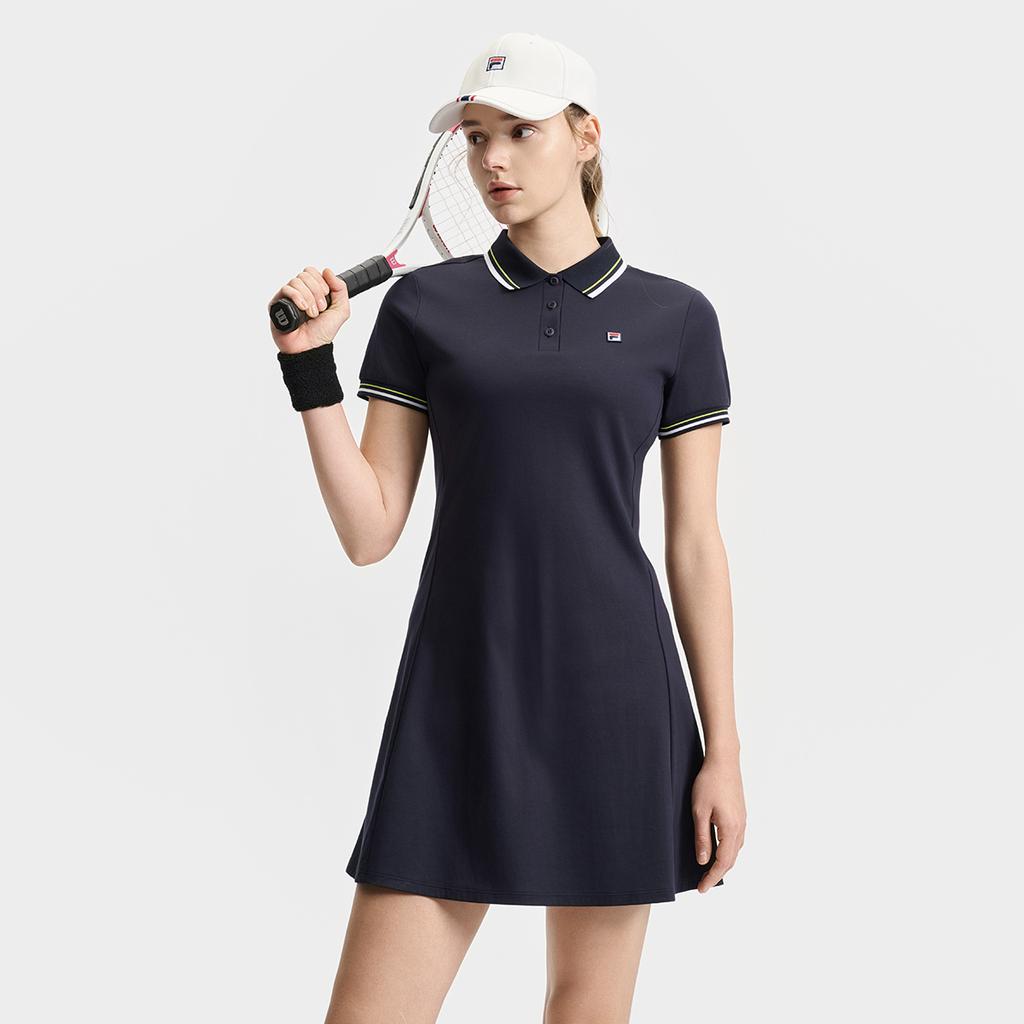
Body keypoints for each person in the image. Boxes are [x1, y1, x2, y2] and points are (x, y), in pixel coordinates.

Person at [269, 31, 746, 1024]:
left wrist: (724, 752)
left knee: (585, 1010)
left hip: (616, 700)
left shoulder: (675, 318)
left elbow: (695, 545)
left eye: (520, 131)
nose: (492, 158)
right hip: (460, 695)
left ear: (586, 136)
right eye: (477, 135)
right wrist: (310, 371)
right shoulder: (425, 309)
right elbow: (370, 530)